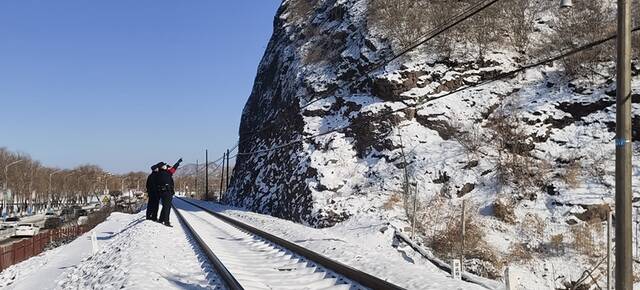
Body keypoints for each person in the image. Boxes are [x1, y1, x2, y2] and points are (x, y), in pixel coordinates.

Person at [157, 158, 182, 227]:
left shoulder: (160, 173)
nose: (166, 165)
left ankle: (161, 219)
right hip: (167, 192)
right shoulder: (165, 173)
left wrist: (177, 163)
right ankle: (166, 222)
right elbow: (173, 169)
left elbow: (172, 169)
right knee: (167, 207)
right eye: (164, 165)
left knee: (165, 206)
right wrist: (177, 163)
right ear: (162, 167)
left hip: (163, 192)